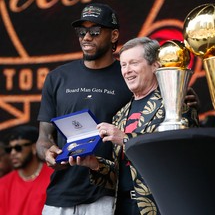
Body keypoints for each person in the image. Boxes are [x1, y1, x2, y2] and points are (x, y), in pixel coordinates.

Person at [68, 37, 199, 215]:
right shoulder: (120, 114)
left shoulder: (175, 104)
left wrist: (125, 138)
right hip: (123, 207)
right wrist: (95, 165)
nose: (127, 71)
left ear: (155, 66)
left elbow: (180, 156)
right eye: (123, 65)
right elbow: (121, 175)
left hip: (162, 207)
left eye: (134, 63)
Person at [36, 3, 133, 215]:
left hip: (107, 195)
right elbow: (43, 139)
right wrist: (48, 153)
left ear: (114, 35)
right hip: (59, 195)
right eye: (82, 31)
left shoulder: (128, 77)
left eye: (95, 31)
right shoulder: (57, 77)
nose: (86, 37)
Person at [0, 125, 54, 215]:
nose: (13, 153)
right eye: (9, 149)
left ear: (34, 147)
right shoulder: (3, 184)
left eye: (18, 148)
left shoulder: (53, 176)